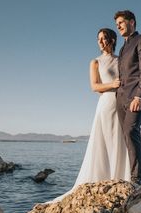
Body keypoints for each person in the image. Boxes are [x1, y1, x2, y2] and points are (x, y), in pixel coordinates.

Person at [51, 28, 131, 201]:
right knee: (104, 141)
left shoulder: (121, 60)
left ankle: (120, 179)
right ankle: (102, 179)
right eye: (99, 39)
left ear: (112, 40)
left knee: (119, 140)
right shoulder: (95, 62)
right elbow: (94, 87)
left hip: (121, 104)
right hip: (106, 104)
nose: (101, 42)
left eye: (104, 38)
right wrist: (113, 84)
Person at [114, 10, 141, 185]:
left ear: (132, 22)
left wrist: (139, 96)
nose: (118, 26)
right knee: (125, 135)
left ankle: (136, 179)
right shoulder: (122, 48)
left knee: (131, 131)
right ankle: (128, 174)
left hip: (137, 97)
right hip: (121, 98)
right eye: (117, 25)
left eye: (121, 23)